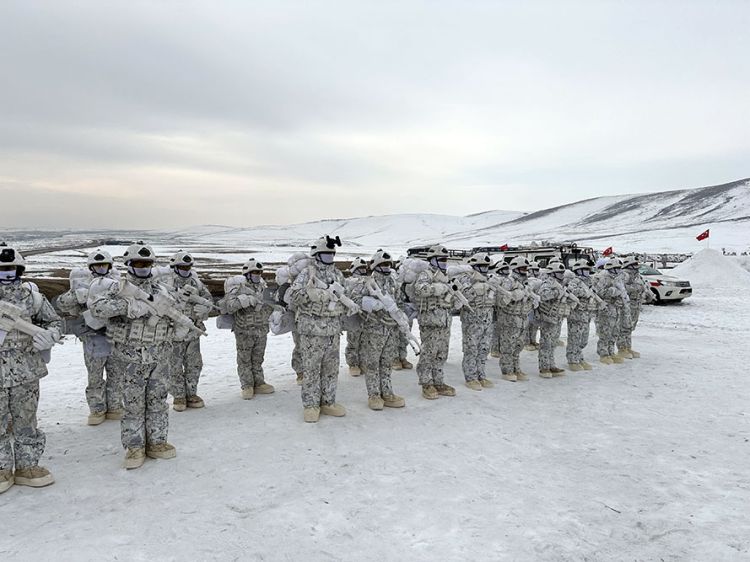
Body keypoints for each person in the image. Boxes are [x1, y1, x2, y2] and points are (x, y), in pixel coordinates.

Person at [89, 242, 177, 469]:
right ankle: (135, 447)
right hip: (129, 358)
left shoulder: (160, 290)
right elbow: (98, 309)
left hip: (159, 356)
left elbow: (173, 314)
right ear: (129, 265)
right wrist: (128, 306)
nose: (143, 267)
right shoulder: (118, 287)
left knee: (157, 401)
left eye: (147, 263)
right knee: (134, 404)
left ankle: (157, 442)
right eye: (138, 263)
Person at [0, 243, 62, 492]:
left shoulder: (33, 298)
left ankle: (27, 466)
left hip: (26, 370)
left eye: (11, 268)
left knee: (26, 419)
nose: (6, 273)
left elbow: (54, 321)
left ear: (19, 270)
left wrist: (51, 335)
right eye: (2, 269)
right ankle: (2, 468)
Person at [55, 250, 123, 425]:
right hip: (93, 337)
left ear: (109, 266)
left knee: (116, 375)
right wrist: (77, 294)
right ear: (91, 267)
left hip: (115, 337)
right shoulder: (83, 284)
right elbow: (61, 303)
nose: (101, 268)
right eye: (97, 265)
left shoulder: (117, 284)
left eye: (104, 265)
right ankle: (97, 409)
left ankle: (115, 406)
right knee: (95, 376)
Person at [287, 236, 348, 422]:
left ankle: (328, 402)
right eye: (325, 255)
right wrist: (313, 294)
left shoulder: (338, 275)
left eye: (332, 255)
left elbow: (346, 298)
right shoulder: (307, 273)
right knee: (312, 369)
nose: (329, 258)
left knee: (331, 368)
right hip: (312, 331)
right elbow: (293, 296)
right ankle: (311, 405)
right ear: (316, 255)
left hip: (332, 330)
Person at [355, 250, 406, 410]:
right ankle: (374, 395)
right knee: (372, 364)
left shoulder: (393, 282)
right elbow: (356, 300)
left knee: (386, 362)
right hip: (373, 330)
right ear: (376, 265)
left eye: (388, 264)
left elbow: (400, 302)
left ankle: (387, 392)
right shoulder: (367, 282)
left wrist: (401, 317)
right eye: (383, 264)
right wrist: (372, 304)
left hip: (391, 330)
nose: (386, 267)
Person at [163, 251, 213, 411]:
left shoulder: (196, 283)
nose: (185, 269)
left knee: (194, 364)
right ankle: (178, 396)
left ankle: (191, 394)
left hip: (192, 332)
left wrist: (204, 309)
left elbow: (209, 300)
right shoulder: (166, 283)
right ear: (175, 267)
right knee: (174, 366)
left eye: (188, 266)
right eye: (182, 267)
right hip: (173, 333)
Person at [220, 259, 275, 400]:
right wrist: (243, 300)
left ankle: (259, 382)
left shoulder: (263, 286)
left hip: (261, 329)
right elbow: (229, 306)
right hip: (244, 330)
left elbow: (268, 302)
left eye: (259, 272)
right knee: (244, 359)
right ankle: (247, 385)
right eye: (255, 272)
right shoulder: (238, 286)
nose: (258, 274)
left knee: (258, 358)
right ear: (247, 273)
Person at [414, 245, 456, 399]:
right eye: (441, 259)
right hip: (431, 321)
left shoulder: (446, 276)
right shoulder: (426, 274)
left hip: (445, 321)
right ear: (433, 260)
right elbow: (420, 289)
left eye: (446, 259)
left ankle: (438, 382)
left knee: (441, 354)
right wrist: (440, 288)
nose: (445, 262)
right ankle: (426, 383)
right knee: (428, 353)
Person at [454, 253, 497, 390]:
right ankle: (471, 377)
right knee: (471, 349)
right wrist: (476, 288)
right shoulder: (466, 278)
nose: (485, 268)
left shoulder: (489, 279)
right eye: (482, 266)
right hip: (472, 320)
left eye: (486, 266)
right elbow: (464, 295)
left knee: (484, 349)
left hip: (487, 319)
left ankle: (481, 375)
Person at [495, 257, 537, 382]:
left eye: (526, 268)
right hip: (509, 320)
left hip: (522, 319)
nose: (525, 270)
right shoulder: (508, 282)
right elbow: (500, 302)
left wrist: (532, 301)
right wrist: (513, 296)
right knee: (508, 346)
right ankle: (507, 370)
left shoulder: (526, 283)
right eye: (523, 268)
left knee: (518, 346)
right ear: (516, 269)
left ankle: (516, 368)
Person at [536, 262, 573, 377]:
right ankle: (544, 367)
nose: (561, 274)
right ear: (552, 273)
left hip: (557, 317)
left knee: (553, 343)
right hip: (548, 318)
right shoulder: (548, 283)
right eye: (559, 272)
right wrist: (557, 292)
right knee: (546, 343)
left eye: (562, 272)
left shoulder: (559, 284)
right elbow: (543, 295)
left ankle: (551, 365)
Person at [592, 258, 627, 365]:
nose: (618, 270)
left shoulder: (618, 278)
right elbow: (598, 292)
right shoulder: (603, 278)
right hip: (606, 309)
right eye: (616, 268)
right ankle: (603, 353)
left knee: (614, 331)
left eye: (618, 268)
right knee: (605, 332)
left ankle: (611, 352)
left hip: (616, 308)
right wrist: (612, 291)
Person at [564, 259, 598, 371]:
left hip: (586, 314)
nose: (588, 271)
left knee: (583, 339)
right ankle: (572, 360)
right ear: (579, 270)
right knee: (575, 338)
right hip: (576, 314)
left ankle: (579, 356)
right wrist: (585, 293)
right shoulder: (575, 281)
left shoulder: (589, 281)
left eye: (588, 269)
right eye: (585, 269)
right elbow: (572, 291)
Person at [616, 256, 651, 359]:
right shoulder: (624, 275)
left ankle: (628, 347)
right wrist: (635, 288)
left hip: (636, 304)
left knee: (630, 327)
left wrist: (647, 293)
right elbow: (620, 287)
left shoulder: (637, 276)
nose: (637, 266)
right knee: (624, 326)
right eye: (635, 264)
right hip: (627, 304)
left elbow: (644, 286)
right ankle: (622, 348)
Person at [344, 257, 369, 376]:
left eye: (364, 269)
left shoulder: (369, 281)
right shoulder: (349, 282)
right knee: (353, 341)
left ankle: (363, 362)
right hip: (354, 316)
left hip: (367, 316)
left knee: (365, 341)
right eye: (360, 269)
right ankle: (353, 364)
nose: (363, 272)